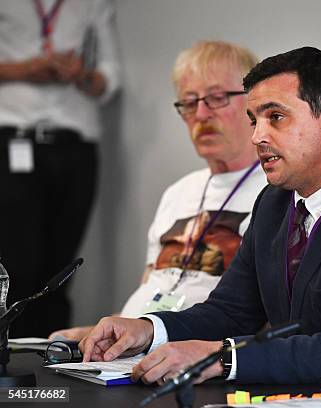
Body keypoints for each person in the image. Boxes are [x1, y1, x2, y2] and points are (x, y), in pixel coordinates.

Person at [79, 46, 321, 394]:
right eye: (254, 120)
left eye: (276, 117)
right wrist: (148, 329)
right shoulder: (274, 202)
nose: (257, 136)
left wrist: (222, 359)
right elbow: (231, 311)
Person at [50, 41, 267, 341]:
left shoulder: (277, 193)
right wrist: (113, 331)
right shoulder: (179, 192)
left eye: (217, 98)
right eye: (189, 102)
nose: (201, 114)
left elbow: (263, 315)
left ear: (253, 104)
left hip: (200, 347)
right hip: (140, 341)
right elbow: (152, 283)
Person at [0, 0, 120, 337]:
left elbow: (110, 79)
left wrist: (80, 75)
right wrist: (26, 70)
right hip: (13, 143)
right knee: (17, 267)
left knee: (60, 270)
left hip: (75, 146)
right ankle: (12, 365)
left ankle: (52, 362)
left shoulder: (93, 4)